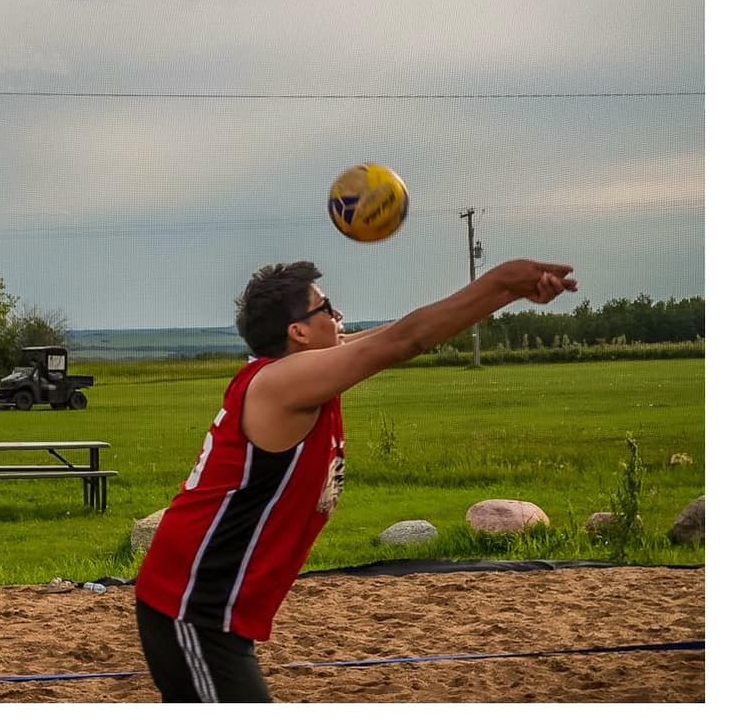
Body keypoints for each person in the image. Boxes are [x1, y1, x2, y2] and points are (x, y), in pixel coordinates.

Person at [134, 258, 577, 702]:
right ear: (299, 332)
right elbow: (405, 340)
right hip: (191, 608)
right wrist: (501, 280)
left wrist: (508, 295)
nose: (339, 317)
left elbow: (402, 332)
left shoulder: (303, 374)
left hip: (210, 608)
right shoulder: (283, 382)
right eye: (327, 308)